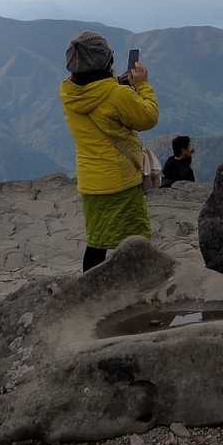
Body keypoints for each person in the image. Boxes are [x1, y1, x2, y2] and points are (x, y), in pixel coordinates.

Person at [60, 32, 160, 271]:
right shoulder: (118, 95)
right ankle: (139, 283)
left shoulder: (68, 93)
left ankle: (90, 287)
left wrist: (119, 84)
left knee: (97, 241)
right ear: (107, 60)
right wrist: (142, 86)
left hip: (91, 182)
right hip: (121, 181)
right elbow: (148, 118)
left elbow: (97, 94)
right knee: (137, 239)